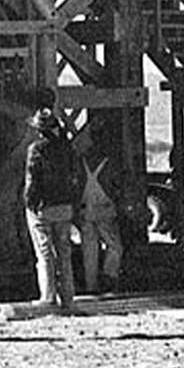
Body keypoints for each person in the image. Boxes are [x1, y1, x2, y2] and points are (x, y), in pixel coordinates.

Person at [22, 109, 83, 309]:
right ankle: (68, 297)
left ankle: (48, 296)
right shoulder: (67, 148)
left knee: (45, 252)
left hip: (43, 206)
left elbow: (32, 178)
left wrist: (29, 203)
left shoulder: (36, 149)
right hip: (64, 205)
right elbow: (76, 175)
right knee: (64, 252)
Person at [77, 160, 121, 294]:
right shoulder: (108, 162)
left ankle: (91, 285)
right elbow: (114, 185)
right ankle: (109, 276)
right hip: (105, 209)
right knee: (115, 246)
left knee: (89, 250)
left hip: (85, 209)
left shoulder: (80, 163)